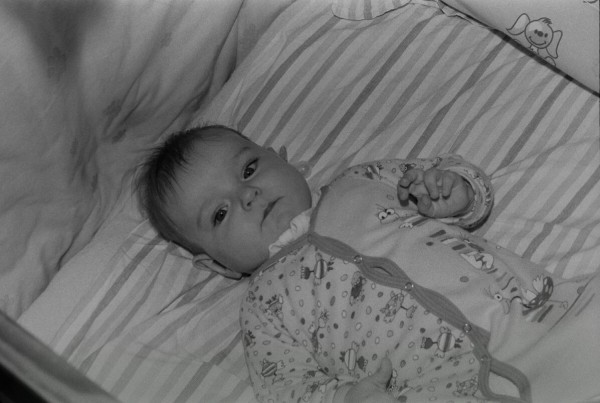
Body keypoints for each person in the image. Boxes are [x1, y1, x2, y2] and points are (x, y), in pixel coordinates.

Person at [138, 124, 599, 403]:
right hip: (448, 385)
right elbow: (287, 390)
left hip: (539, 314)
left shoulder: (361, 181)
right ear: (217, 266)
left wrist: (456, 191)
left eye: (248, 169)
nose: (248, 195)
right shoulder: (265, 306)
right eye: (220, 214)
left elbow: (446, 174)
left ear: (281, 157)